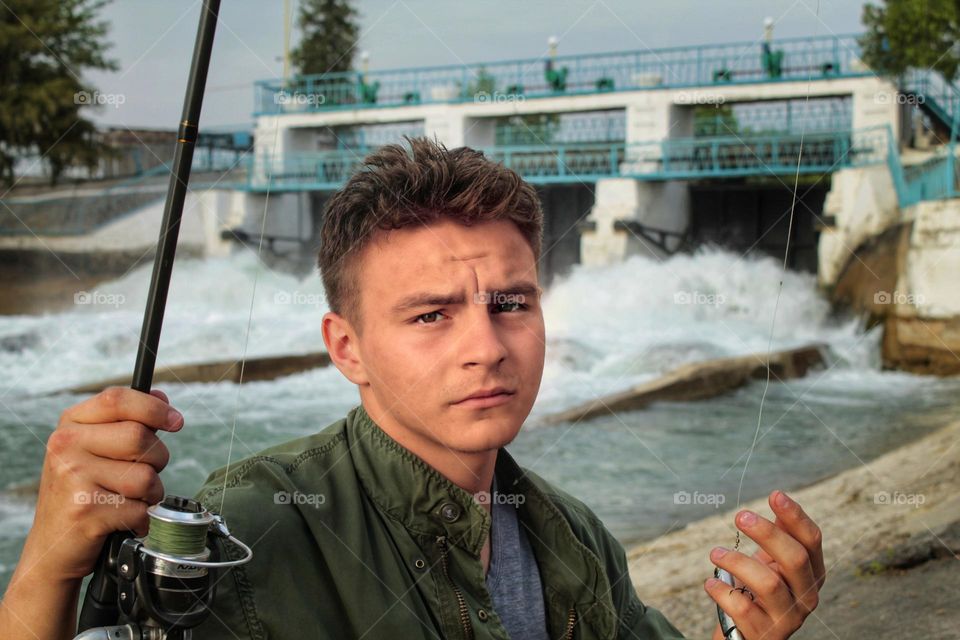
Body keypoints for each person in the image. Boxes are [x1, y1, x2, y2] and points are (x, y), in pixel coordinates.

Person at [0, 136, 825, 639]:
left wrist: (747, 634)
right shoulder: (254, 529)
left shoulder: (575, 535)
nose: (486, 349)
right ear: (347, 348)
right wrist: (46, 568)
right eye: (431, 315)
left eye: (511, 304)